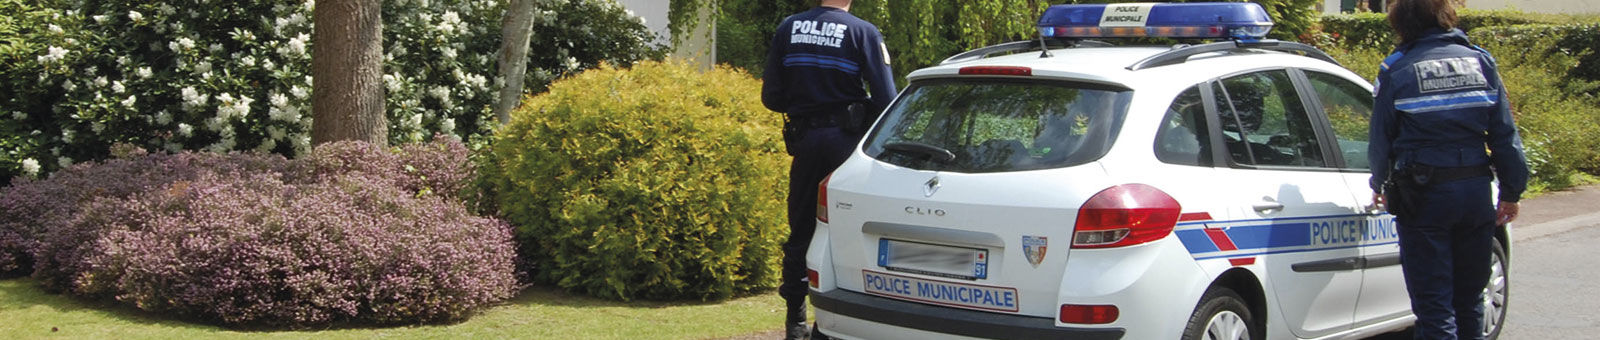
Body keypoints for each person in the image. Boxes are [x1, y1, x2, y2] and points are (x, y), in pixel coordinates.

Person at [1368, 0, 1529, 339]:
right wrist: (1512, 191)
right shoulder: (1481, 62)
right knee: (1470, 298)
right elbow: (1504, 135)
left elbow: (1381, 137)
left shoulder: (1397, 69)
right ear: (1445, 15)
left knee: (1434, 305)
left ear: (1402, 22)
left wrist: (1378, 182)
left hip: (1423, 196)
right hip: (1474, 192)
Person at [761, 0, 896, 339]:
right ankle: (833, 321)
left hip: (805, 141)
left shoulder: (788, 28)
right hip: (846, 144)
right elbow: (886, 99)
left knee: (801, 228)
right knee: (845, 230)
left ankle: (795, 320)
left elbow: (771, 97)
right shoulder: (863, 32)